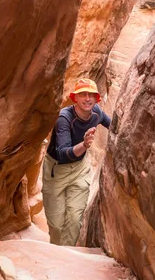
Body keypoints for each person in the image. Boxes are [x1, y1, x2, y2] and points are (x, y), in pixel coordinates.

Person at [42, 78, 111, 246]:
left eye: (91, 95)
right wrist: (85, 144)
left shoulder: (97, 113)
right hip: (56, 170)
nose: (87, 98)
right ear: (75, 98)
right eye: (83, 94)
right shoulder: (64, 118)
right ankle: (57, 254)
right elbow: (63, 153)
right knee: (57, 226)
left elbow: (115, 125)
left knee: (74, 220)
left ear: (96, 99)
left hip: (80, 169)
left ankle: (65, 259)